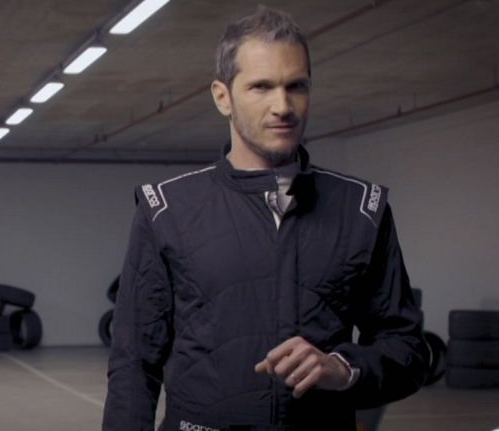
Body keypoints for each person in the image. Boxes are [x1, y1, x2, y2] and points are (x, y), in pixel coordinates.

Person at [102, 6, 429, 431]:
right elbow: (133, 363)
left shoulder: (361, 210)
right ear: (223, 97)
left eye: (297, 86)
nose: (283, 106)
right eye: (261, 87)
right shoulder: (167, 209)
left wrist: (343, 368)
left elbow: (408, 351)